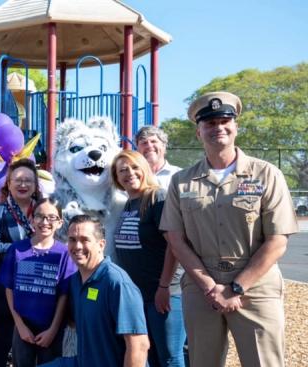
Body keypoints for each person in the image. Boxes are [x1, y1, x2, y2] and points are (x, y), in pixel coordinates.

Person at [160, 91, 299, 367]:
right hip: (201, 288)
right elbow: (175, 239)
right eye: (209, 123)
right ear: (199, 132)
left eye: (225, 120)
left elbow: (277, 241)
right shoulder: (181, 182)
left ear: (236, 127)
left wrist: (236, 287)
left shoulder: (267, 174)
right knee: (202, 362)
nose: (218, 128)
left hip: (256, 285)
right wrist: (211, 286)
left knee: (265, 362)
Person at [111, 150, 185, 366]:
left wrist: (164, 288)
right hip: (139, 296)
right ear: (116, 177)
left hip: (164, 294)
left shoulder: (156, 198)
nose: (129, 173)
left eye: (134, 167)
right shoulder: (128, 204)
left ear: (145, 168)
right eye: (122, 170)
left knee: (170, 356)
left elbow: (175, 245)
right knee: (149, 355)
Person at [0, 199, 75, 367]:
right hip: (23, 327)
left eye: (51, 217)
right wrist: (20, 326)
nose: (45, 222)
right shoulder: (17, 249)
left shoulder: (64, 254)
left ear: (60, 222)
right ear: (31, 219)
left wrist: (53, 329)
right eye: (40, 216)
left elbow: (64, 295)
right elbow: (9, 289)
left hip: (51, 329)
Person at [66, 215, 149, 367]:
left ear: (101, 244)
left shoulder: (117, 283)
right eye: (72, 239)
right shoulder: (75, 281)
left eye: (85, 240)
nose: (77, 246)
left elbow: (139, 345)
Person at [0, 158, 42, 366]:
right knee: (0, 342)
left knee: (35, 343)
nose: (22, 184)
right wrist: (25, 249)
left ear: (35, 186)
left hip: (38, 289)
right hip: (6, 288)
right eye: (17, 180)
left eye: (28, 180)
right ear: (8, 184)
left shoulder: (45, 212)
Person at [134, 126, 181, 191]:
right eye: (144, 143)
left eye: (153, 141)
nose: (149, 146)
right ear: (137, 150)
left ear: (164, 146)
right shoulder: (132, 177)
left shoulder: (180, 175)